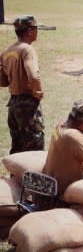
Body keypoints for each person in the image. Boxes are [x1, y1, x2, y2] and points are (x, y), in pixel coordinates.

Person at [0, 15, 45, 154]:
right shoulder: (27, 49)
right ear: (30, 31)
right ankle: (32, 176)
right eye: (36, 28)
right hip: (27, 104)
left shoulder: (7, 51)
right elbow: (33, 74)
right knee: (34, 146)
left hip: (13, 104)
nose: (37, 31)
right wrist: (37, 92)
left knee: (18, 145)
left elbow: (2, 81)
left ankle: (15, 175)